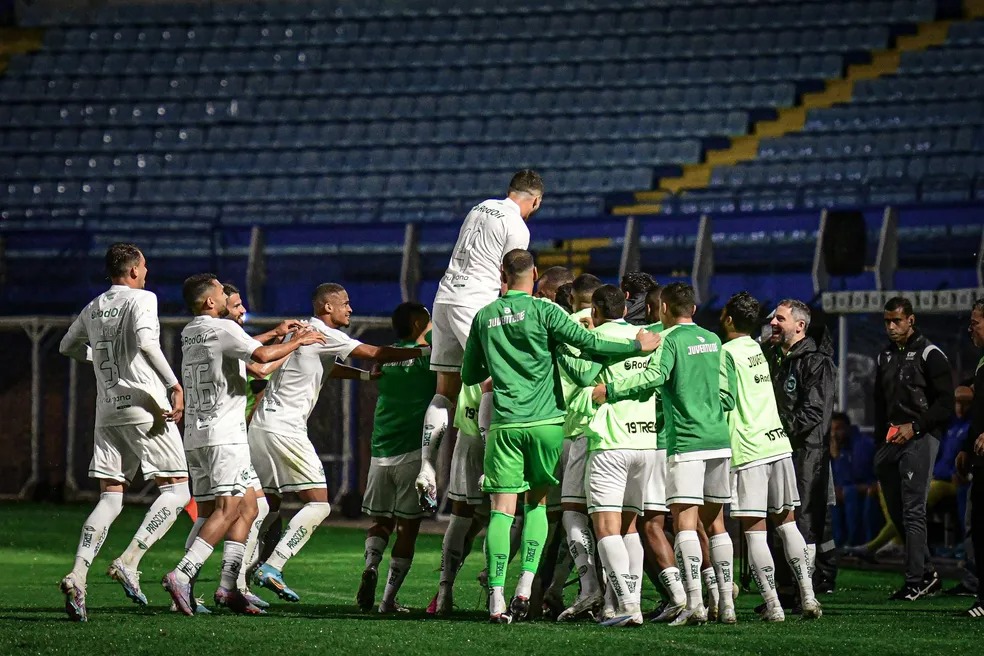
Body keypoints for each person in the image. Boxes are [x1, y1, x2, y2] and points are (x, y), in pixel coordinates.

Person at [461, 249, 661, 622]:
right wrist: (636, 345)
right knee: (537, 505)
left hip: (505, 423)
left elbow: (470, 374)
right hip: (547, 424)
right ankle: (525, 587)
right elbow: (591, 346)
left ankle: (496, 600)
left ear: (502, 275)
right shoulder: (547, 312)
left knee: (502, 512)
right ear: (534, 274)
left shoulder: (484, 317)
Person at [248, 283, 427, 603]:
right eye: (345, 303)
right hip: (285, 428)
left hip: (261, 425)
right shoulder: (324, 333)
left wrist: (363, 378)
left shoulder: (302, 331)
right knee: (319, 503)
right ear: (327, 307)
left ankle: (238, 581)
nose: (350, 308)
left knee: (268, 506)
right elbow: (376, 353)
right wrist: (423, 351)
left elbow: (325, 368)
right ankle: (273, 565)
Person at [162, 273, 327, 616]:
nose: (227, 296)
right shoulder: (223, 328)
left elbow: (245, 354)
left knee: (252, 507)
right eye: (223, 292)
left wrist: (275, 332)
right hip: (225, 435)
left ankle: (228, 588)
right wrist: (298, 341)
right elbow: (262, 359)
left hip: (197, 434)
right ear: (210, 301)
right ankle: (183, 574)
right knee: (228, 509)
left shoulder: (191, 331)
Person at [57, 243, 190, 622]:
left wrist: (99, 362)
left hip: (107, 410)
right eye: (144, 266)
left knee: (111, 498)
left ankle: (78, 574)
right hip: (143, 406)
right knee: (177, 490)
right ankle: (129, 560)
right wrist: (173, 384)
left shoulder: (94, 306)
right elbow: (148, 342)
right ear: (133, 271)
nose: (146, 273)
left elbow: (67, 347)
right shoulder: (142, 298)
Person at [592, 282, 737, 627]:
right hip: (719, 439)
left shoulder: (670, 341)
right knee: (716, 526)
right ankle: (728, 606)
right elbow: (727, 397)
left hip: (687, 441)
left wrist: (610, 390)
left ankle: (695, 605)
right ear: (694, 310)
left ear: (664, 309)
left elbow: (655, 377)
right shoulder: (714, 340)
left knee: (685, 523)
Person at [416, 170, 544, 512]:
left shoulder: (481, 207)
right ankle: (491, 466)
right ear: (535, 200)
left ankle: (427, 466)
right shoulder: (518, 226)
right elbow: (512, 273)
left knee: (445, 388)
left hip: (444, 297)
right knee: (493, 379)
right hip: (474, 300)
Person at [556, 285, 660, 627]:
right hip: (645, 442)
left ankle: (622, 603)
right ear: (627, 310)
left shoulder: (593, 338)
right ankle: (624, 605)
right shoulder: (647, 336)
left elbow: (584, 376)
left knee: (603, 525)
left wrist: (559, 347)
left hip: (606, 439)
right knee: (630, 526)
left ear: (596, 312)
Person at [720, 291, 821, 621]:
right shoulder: (758, 350)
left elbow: (724, 401)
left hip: (749, 448)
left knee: (755, 529)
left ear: (729, 319)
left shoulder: (727, 353)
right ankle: (808, 597)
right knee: (788, 524)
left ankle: (773, 604)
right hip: (778, 444)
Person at [873, 296, 953, 600]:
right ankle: (928, 573)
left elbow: (945, 404)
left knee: (913, 511)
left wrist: (916, 427)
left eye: (897, 321)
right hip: (891, 440)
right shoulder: (885, 357)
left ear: (911, 320)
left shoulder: (931, 354)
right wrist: (879, 441)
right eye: (887, 321)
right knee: (897, 513)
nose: (891, 327)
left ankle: (915, 580)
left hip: (920, 437)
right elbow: (878, 404)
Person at [358, 303, 435, 614]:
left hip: (380, 452)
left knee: (380, 521)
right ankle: (387, 600)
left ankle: (371, 565)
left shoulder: (385, 357)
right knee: (408, 528)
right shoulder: (429, 359)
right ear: (418, 323)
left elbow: (376, 373)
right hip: (414, 454)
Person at [767, 299, 836, 605]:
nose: (773, 323)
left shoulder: (816, 362)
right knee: (777, 517)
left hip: (806, 452)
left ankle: (804, 590)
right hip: (776, 449)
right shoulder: (772, 357)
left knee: (803, 519)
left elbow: (814, 412)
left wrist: (779, 429)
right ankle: (783, 589)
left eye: (779, 319)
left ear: (800, 326)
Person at [956, 297, 984, 617]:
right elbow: (979, 412)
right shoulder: (981, 362)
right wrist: (965, 446)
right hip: (979, 458)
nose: (970, 329)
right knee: (977, 527)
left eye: (975, 323)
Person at [829, 413, 880, 547]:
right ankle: (837, 543)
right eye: (832, 430)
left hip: (870, 487)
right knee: (831, 495)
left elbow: (856, 474)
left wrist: (838, 458)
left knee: (849, 493)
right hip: (849, 488)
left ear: (848, 428)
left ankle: (855, 542)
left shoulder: (862, 444)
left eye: (838, 428)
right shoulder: (835, 447)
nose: (834, 434)